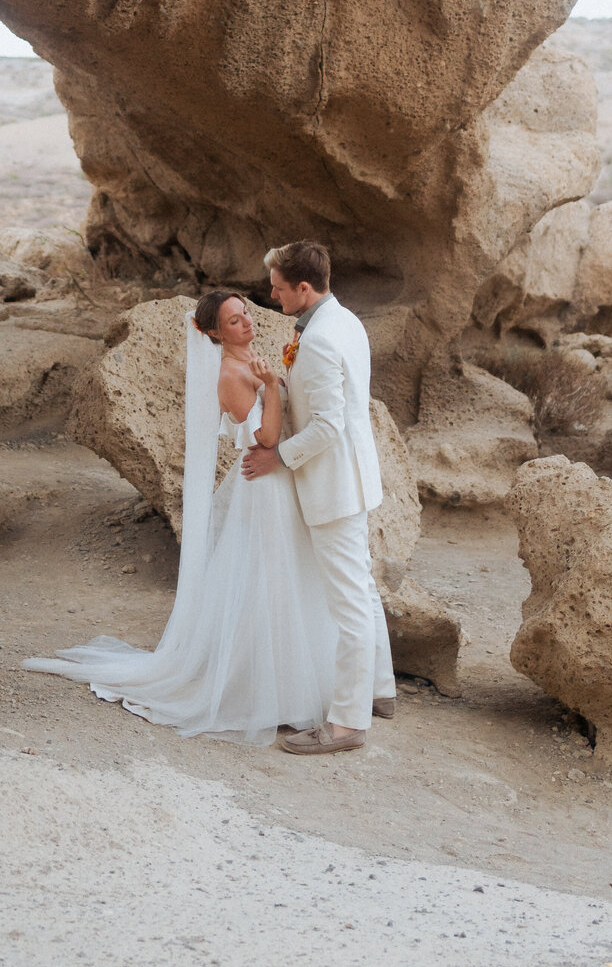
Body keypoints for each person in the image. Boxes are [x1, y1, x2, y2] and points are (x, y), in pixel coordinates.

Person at [21, 290, 338, 745]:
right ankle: (267, 694)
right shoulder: (231, 373)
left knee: (289, 580)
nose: (246, 322)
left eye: (245, 313)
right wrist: (271, 387)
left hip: (280, 484)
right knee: (271, 583)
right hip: (265, 488)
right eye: (233, 321)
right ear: (213, 333)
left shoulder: (256, 359)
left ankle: (293, 684)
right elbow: (265, 439)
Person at [242, 240, 396, 755]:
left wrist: (277, 457)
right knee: (362, 586)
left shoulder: (324, 339)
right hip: (352, 475)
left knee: (349, 600)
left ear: (304, 288)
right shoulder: (343, 320)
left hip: (333, 482)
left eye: (279, 287)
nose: (272, 294)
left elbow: (327, 425)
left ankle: (348, 725)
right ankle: (380, 690)